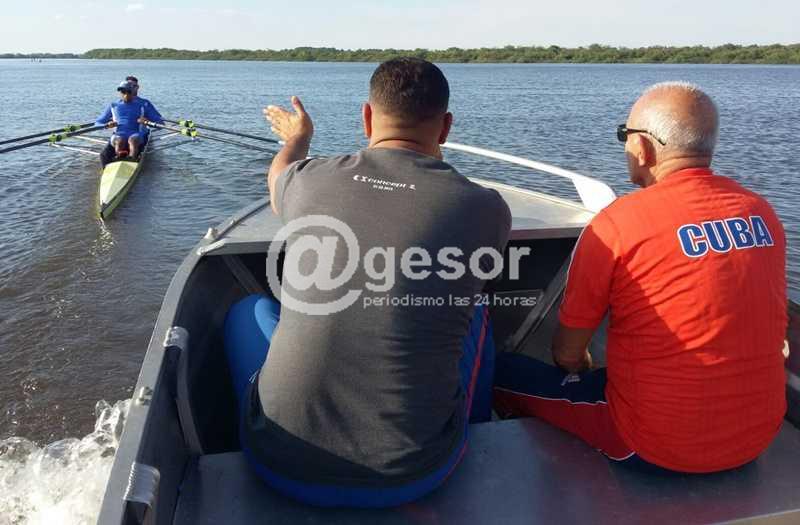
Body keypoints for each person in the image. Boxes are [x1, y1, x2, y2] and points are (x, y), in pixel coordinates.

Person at [224, 58, 511, 507]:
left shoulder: (309, 180)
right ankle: (475, 422)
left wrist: (298, 139)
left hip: (278, 464)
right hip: (415, 473)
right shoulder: (487, 208)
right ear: (446, 127)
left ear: (366, 117)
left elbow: (278, 177)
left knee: (249, 311)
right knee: (472, 311)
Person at [493, 81, 787, 474]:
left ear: (643, 147)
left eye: (624, 135)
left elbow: (566, 353)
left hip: (649, 446)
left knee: (499, 369)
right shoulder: (761, 213)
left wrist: (581, 366)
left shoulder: (619, 224)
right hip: (756, 439)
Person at [95, 80, 163, 160]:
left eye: (128, 92)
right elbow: (98, 123)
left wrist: (146, 122)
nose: (126, 95)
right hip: (118, 135)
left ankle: (131, 159)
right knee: (119, 141)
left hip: (136, 134)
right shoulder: (113, 105)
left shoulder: (143, 105)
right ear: (120, 93)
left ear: (133, 92)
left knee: (133, 141)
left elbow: (160, 123)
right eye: (123, 92)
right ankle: (120, 157)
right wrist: (107, 125)